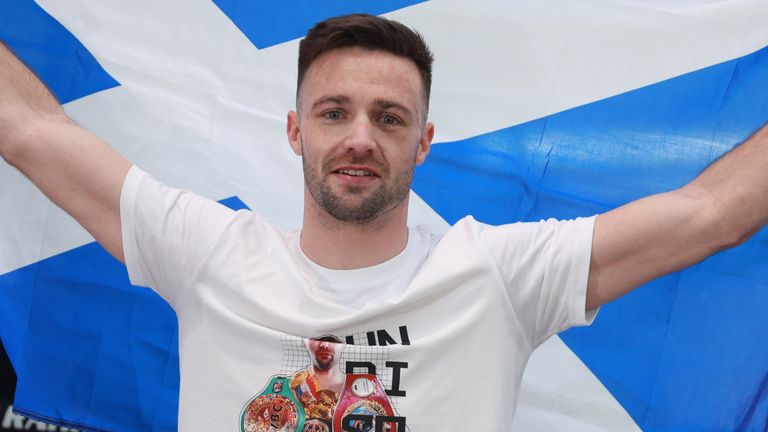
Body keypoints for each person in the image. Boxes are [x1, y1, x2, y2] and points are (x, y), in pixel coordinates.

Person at [1, 12, 766, 431]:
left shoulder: (498, 275)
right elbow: (32, 131)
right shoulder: (206, 253)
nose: (361, 136)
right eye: (335, 112)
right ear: (296, 131)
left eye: (390, 117)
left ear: (423, 142)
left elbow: (713, 212)